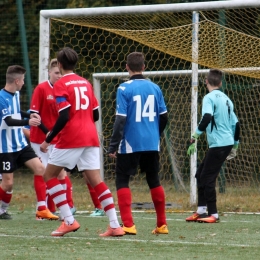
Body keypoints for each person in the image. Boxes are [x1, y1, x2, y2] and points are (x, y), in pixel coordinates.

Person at [40, 47, 124, 237]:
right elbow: (95, 113)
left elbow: (63, 116)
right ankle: (115, 225)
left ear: (60, 65)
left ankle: (68, 220)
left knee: (49, 176)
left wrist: (48, 139)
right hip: (90, 136)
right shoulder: (85, 83)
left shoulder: (61, 84)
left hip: (72, 137)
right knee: (96, 180)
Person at [108, 52, 169, 235]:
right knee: (153, 179)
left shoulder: (124, 88)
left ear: (127, 67)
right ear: (144, 67)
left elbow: (120, 119)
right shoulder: (155, 87)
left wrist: (113, 145)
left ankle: (128, 225)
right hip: (151, 143)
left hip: (130, 143)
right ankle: (162, 225)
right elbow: (164, 117)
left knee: (122, 179)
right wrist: (155, 134)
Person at [0, 65, 58, 220]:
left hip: (21, 144)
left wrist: (30, 116)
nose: (24, 83)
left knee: (40, 169)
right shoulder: (1, 98)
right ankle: (2, 210)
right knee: (8, 184)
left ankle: (41, 209)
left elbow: (17, 111)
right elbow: (9, 120)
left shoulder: (16, 94)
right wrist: (28, 121)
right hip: (5, 148)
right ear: (17, 81)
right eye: (23, 80)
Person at [186, 69, 240, 223]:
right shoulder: (227, 99)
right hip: (227, 142)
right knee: (200, 174)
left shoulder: (208, 98)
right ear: (221, 83)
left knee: (207, 177)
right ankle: (201, 210)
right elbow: (236, 124)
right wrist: (235, 145)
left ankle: (214, 214)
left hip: (219, 144)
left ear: (206, 82)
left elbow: (207, 117)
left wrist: (195, 136)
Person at [30, 58, 75, 215]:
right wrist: (46, 133)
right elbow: (34, 115)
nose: (59, 76)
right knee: (43, 170)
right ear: (49, 72)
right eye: (56, 73)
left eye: (60, 73)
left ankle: (60, 208)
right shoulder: (41, 89)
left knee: (60, 173)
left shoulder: (64, 89)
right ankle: (42, 207)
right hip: (40, 139)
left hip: (58, 139)